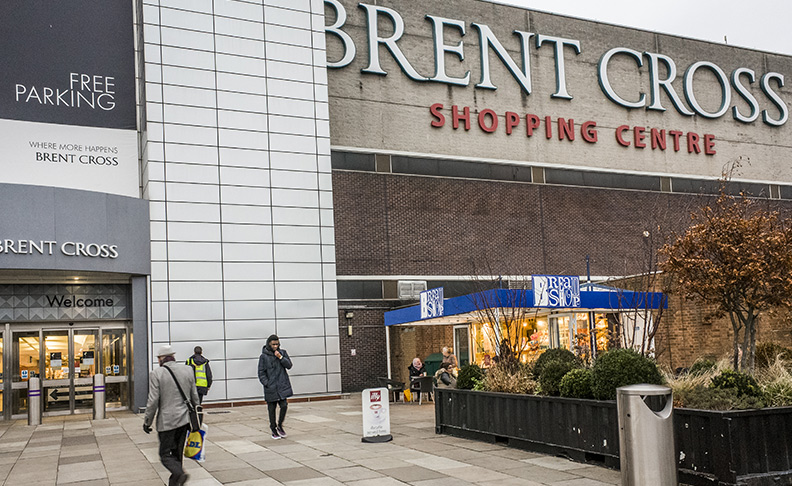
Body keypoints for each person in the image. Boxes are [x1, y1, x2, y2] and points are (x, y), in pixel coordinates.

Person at [143, 345, 199, 486]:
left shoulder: (156, 374)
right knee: (177, 455)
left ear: (161, 359)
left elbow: (153, 401)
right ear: (173, 356)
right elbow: (195, 397)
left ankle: (180, 474)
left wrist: (147, 422)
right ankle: (175, 483)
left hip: (167, 422)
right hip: (185, 421)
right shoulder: (188, 370)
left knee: (164, 455)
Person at [258, 334, 293, 440]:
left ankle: (280, 425)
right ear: (269, 344)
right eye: (273, 344)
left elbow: (289, 365)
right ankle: (273, 429)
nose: (275, 346)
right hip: (271, 387)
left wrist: (280, 357)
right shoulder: (264, 356)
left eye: (277, 344)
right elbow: (261, 372)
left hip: (282, 385)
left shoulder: (283, 353)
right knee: (271, 409)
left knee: (284, 405)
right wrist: (267, 383)